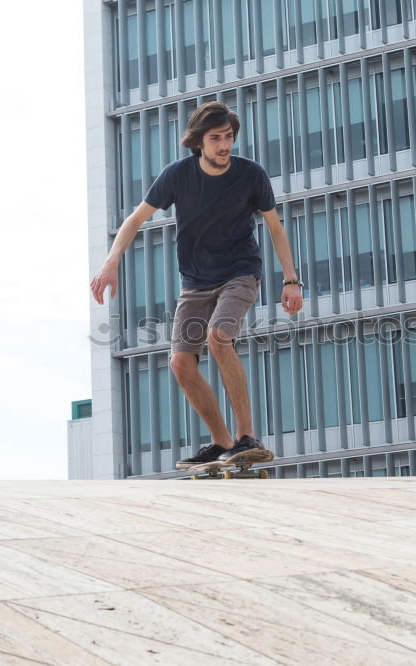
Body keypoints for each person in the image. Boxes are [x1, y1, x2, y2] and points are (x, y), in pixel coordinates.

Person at [91, 101, 303, 470]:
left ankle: (245, 437)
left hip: (240, 272)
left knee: (219, 337)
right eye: (216, 138)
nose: (224, 145)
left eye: (229, 137)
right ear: (198, 141)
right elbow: (135, 219)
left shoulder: (251, 174)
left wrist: (291, 280)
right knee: (180, 363)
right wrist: (110, 264)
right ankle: (222, 442)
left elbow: (275, 227)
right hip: (195, 283)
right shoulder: (177, 175)